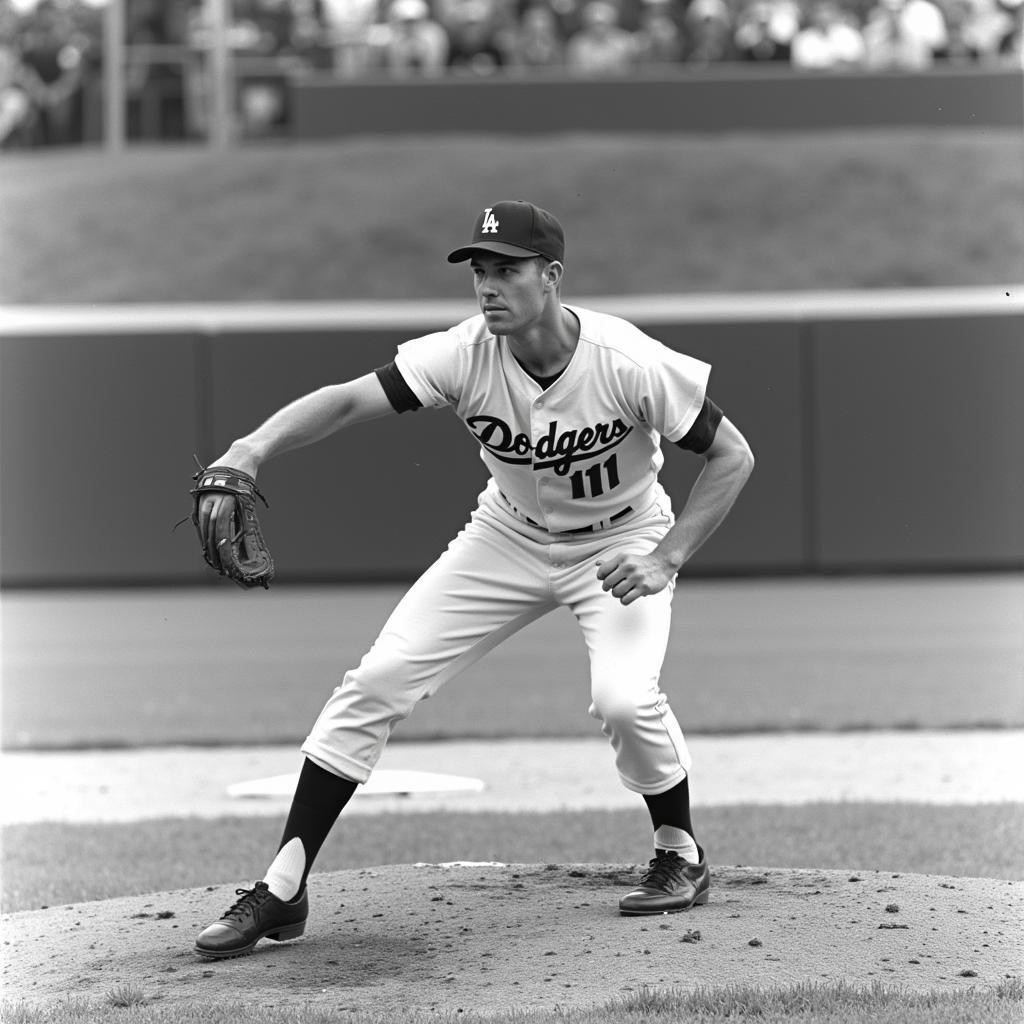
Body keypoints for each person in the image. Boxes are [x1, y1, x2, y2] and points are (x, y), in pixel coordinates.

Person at [192, 200, 755, 959]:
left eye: (507, 269)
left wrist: (667, 556)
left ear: (551, 277)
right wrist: (251, 446)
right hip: (506, 536)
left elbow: (733, 455)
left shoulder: (625, 361)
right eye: (479, 271)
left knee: (623, 698)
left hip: (623, 539)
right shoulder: (463, 353)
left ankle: (679, 851)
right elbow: (350, 400)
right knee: (378, 679)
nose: (488, 286)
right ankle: (284, 888)